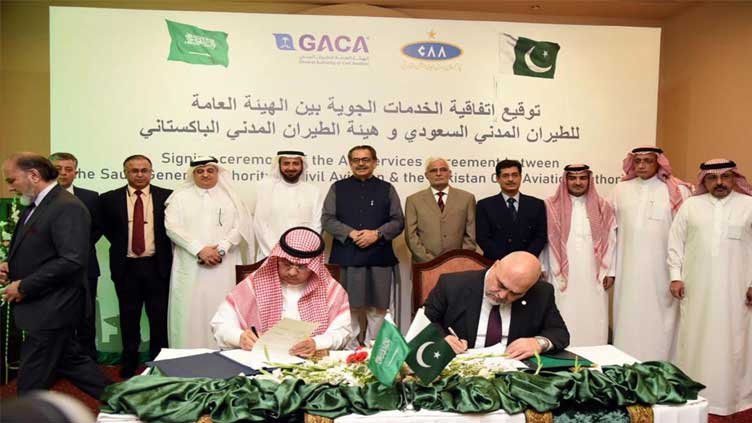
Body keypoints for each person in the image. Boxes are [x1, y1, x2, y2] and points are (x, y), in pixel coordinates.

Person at [1, 153, 110, 398]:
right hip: (47, 308)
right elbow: (43, 251)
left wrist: (24, 285)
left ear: (34, 175)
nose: (10, 187)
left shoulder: (66, 206)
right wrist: (11, 266)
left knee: (29, 385)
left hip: (53, 308)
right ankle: (145, 404)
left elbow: (72, 260)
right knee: (79, 367)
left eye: (11, 180)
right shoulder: (38, 204)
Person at [667, 158, 752, 416]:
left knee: (735, 341)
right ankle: (695, 392)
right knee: (695, 338)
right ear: (704, 180)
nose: (719, 182)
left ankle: (734, 399)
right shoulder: (691, 206)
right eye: (713, 178)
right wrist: (675, 276)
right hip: (697, 288)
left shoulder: (748, 205)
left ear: (734, 178)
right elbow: (675, 243)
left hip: (737, 290)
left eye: (725, 177)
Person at [211, 227, 352, 355]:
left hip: (310, 364)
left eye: (302, 267)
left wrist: (317, 343)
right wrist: (239, 337)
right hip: (259, 362)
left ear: (315, 266)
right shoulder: (254, 284)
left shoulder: (331, 291)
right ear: (277, 258)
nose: (292, 272)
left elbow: (342, 331)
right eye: (286, 263)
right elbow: (220, 324)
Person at [610, 146, 692, 361]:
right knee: (628, 314)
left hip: (663, 270)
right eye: (638, 161)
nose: (642, 165)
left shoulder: (677, 190)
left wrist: (678, 272)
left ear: (658, 163)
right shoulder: (620, 190)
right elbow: (609, 231)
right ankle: (625, 362)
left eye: (648, 161)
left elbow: (684, 233)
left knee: (662, 319)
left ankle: (662, 362)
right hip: (628, 269)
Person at [164, 157, 253, 349]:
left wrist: (222, 248)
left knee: (222, 307)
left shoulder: (231, 198)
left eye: (210, 170)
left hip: (224, 264)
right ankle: (187, 354)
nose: (205, 174)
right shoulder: (179, 197)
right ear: (193, 174)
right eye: (200, 171)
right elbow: (172, 227)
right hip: (190, 264)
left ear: (217, 172)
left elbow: (241, 226)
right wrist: (199, 249)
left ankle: (222, 352)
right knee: (189, 311)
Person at [322, 145, 404, 346]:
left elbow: (398, 221)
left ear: (375, 162)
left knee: (378, 308)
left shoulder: (387, 189)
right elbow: (327, 219)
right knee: (349, 308)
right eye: (356, 160)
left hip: (379, 258)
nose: (361, 164)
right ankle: (349, 350)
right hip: (347, 258)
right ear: (350, 163)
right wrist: (350, 233)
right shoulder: (337, 188)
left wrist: (377, 234)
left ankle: (374, 349)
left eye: (366, 159)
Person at [99, 154, 173, 378]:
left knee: (158, 317)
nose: (140, 174)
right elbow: (108, 230)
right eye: (134, 170)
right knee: (128, 317)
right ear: (125, 172)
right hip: (126, 267)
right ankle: (130, 362)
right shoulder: (109, 199)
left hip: (157, 266)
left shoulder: (168, 196)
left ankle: (158, 362)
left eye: (144, 170)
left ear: (151, 172)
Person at [422, 251, 569, 359]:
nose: (503, 295)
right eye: (501, 285)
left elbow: (559, 333)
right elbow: (424, 323)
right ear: (495, 265)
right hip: (461, 369)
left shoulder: (542, 292)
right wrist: (441, 339)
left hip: (515, 372)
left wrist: (538, 343)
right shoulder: (452, 285)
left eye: (515, 293)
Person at [542, 164, 616, 346]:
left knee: (593, 312)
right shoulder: (550, 206)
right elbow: (543, 241)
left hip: (594, 274)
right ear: (565, 180)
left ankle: (595, 351)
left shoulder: (602, 206)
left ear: (589, 180)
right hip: (559, 272)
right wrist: (542, 268)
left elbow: (612, 241)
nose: (578, 182)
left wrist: (610, 271)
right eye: (572, 178)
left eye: (583, 178)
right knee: (562, 310)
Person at [49, 152, 102, 361]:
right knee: (55, 316)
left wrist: (77, 249)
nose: (63, 173)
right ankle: (58, 359)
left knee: (86, 315)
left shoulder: (91, 197)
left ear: (76, 173)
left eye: (68, 169)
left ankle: (87, 359)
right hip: (50, 268)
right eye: (58, 169)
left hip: (85, 266)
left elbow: (97, 228)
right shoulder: (39, 198)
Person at [404, 157, 479, 263]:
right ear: (426, 175)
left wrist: (459, 260)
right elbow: (411, 236)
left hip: (458, 265)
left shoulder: (467, 198)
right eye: (433, 170)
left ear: (450, 173)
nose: (439, 174)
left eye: (443, 170)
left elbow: (471, 234)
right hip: (424, 265)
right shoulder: (413, 200)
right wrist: (431, 262)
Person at [253, 150, 322, 260]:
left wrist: (302, 252)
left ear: (302, 165)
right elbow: (260, 224)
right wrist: (279, 252)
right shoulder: (266, 189)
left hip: (303, 256)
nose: (291, 168)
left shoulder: (313, 191)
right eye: (286, 163)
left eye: (295, 163)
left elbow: (316, 225)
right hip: (271, 254)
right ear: (279, 165)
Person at [476, 159, 547, 261]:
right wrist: (506, 261)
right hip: (496, 263)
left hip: (527, 263)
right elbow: (482, 238)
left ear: (521, 177)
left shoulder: (536, 204)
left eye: (515, 175)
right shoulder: (484, 205)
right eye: (505, 176)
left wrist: (525, 259)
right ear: (497, 179)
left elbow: (540, 237)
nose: (510, 179)